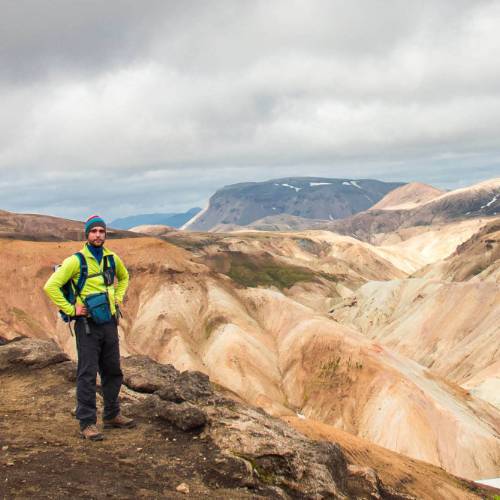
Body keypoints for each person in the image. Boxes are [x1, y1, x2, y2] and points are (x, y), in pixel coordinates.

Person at [44, 215, 135, 440]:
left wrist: (118, 298)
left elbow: (124, 278)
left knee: (113, 370)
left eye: (101, 231)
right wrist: (71, 309)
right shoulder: (76, 261)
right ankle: (87, 423)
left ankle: (112, 415)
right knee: (87, 373)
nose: (97, 235)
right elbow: (51, 286)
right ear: (87, 235)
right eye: (93, 231)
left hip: (109, 323)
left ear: (105, 234)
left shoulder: (112, 258)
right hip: (87, 327)